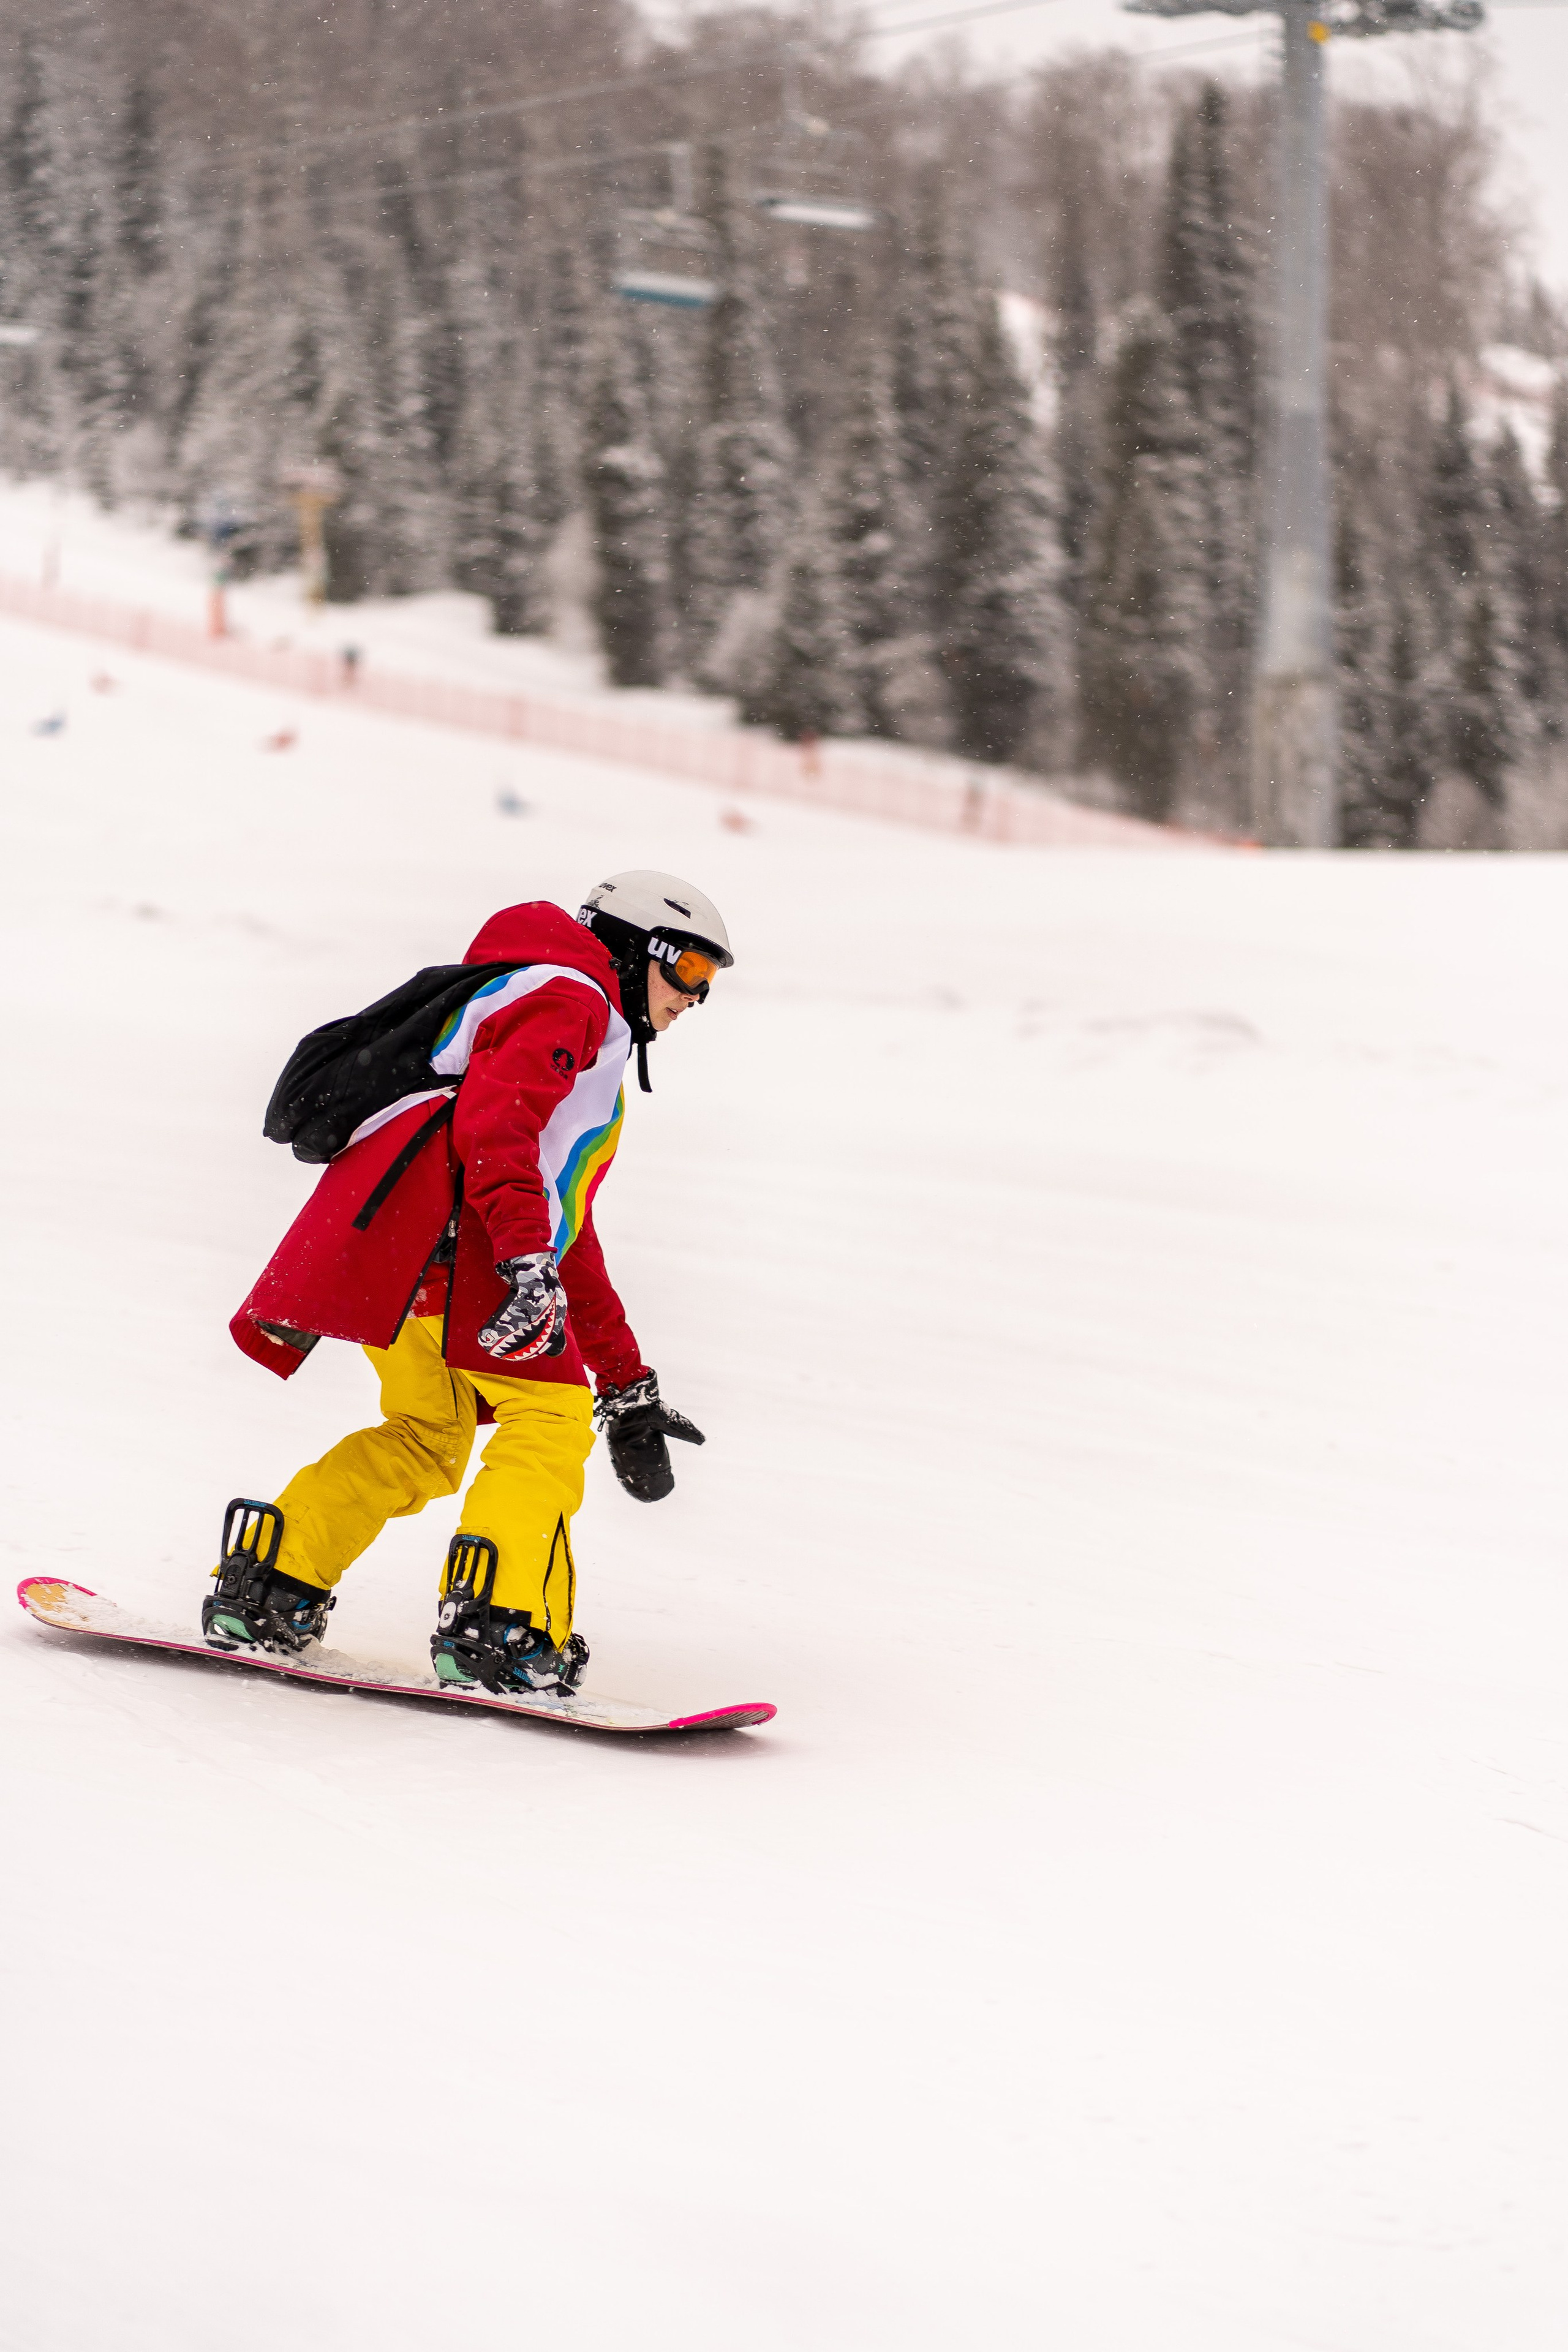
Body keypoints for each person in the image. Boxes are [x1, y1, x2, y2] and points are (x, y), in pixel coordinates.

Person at [207, 870, 733, 1697]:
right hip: (468, 1248)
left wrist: (627, 1384)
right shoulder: (572, 997)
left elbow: (569, 1226)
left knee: (425, 1431)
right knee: (550, 1424)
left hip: (412, 1254)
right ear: (639, 950)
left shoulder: (545, 999)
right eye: (692, 970)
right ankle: (502, 1624)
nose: (696, 998)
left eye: (711, 984)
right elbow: (500, 1126)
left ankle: (272, 1583)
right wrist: (522, 1260)